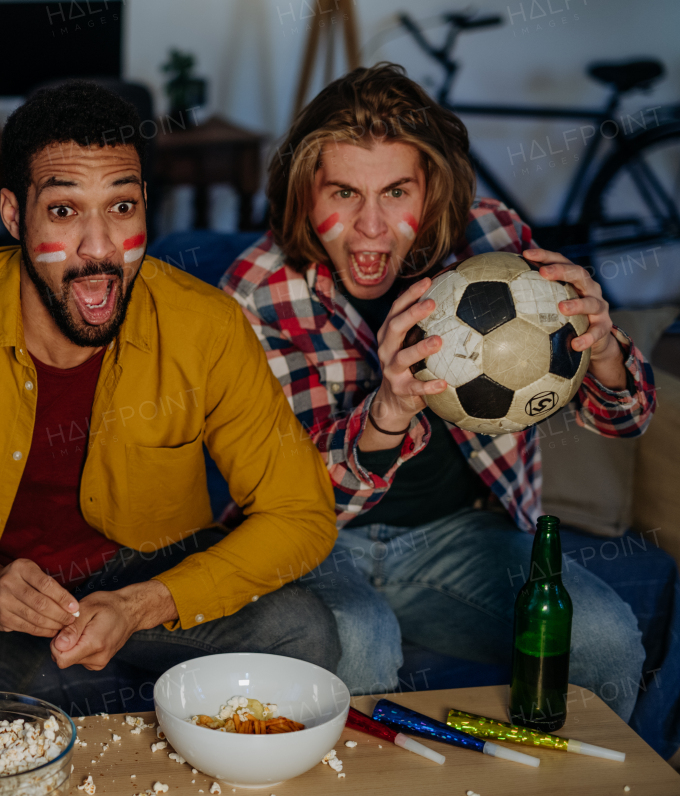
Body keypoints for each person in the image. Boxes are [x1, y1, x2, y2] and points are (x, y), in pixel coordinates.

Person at [0, 81, 341, 732]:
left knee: (305, 633)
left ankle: (57, 685)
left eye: (122, 206)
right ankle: (70, 682)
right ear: (15, 216)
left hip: (142, 582)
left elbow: (302, 513)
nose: (99, 247)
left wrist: (142, 603)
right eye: (65, 211)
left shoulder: (207, 324)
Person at [220, 63, 656, 718]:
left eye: (397, 191)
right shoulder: (258, 293)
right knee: (360, 637)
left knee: (604, 634)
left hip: (463, 536)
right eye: (343, 192)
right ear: (307, 192)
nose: (370, 226)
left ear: (432, 187)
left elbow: (630, 421)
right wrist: (387, 413)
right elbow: (296, 497)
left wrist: (602, 349)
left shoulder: (494, 241)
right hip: (316, 544)